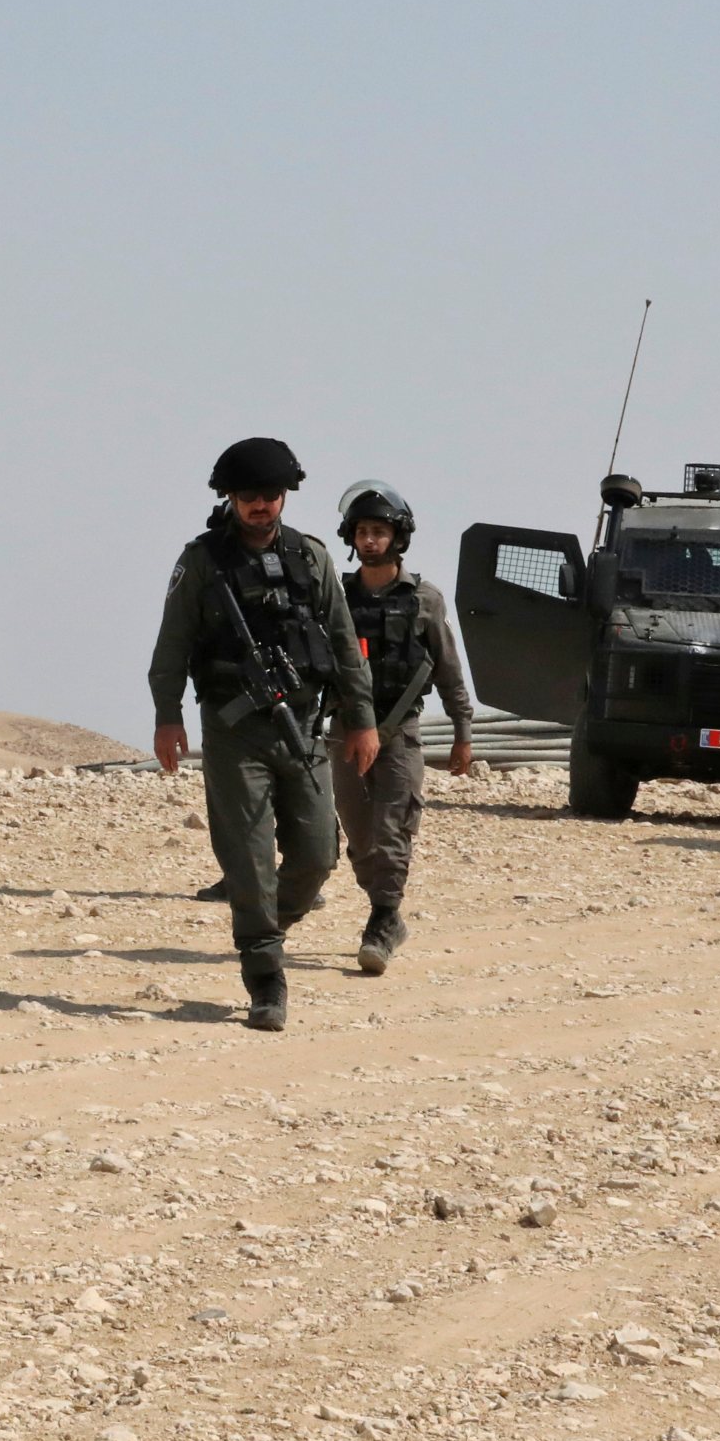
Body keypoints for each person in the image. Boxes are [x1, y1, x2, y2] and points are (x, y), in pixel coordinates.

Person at [149, 438, 378, 1031]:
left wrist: (362, 719)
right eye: (249, 496)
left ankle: (264, 928)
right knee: (248, 860)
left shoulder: (312, 556)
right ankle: (265, 977)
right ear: (230, 496)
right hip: (235, 729)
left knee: (318, 852)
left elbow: (345, 643)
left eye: (270, 496)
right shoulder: (202, 561)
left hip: (303, 724)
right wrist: (167, 716)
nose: (260, 506)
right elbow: (171, 645)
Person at [331, 480, 472, 973]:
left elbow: (449, 667)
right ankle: (382, 904)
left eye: (380, 531)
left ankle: (384, 918)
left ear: (398, 537)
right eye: (363, 532)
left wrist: (462, 733)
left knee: (393, 831)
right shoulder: (337, 597)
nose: (370, 541)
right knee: (359, 834)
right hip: (345, 732)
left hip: (402, 732)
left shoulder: (424, 600)